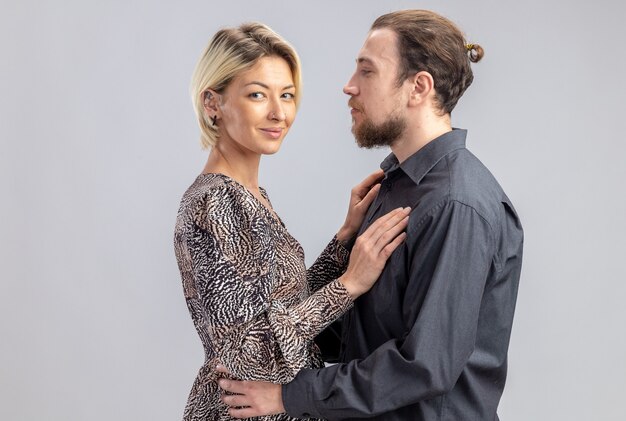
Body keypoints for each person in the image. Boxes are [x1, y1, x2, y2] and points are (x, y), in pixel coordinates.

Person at [217, 10, 524, 420]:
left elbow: (424, 365)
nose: (349, 87)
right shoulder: (393, 184)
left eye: (367, 72)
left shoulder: (456, 205)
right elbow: (361, 332)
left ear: (418, 87)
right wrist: (260, 350)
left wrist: (290, 395)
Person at [173, 22, 410, 420]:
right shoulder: (215, 201)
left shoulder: (250, 196)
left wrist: (344, 239)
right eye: (256, 95)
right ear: (213, 102)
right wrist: (350, 284)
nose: (279, 112)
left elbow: (283, 309)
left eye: (287, 95)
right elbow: (250, 351)